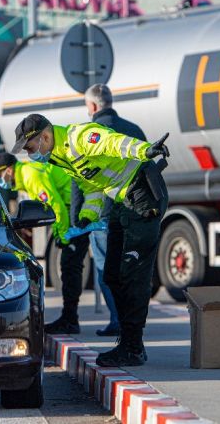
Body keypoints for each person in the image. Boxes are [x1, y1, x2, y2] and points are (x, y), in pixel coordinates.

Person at [11, 112, 169, 367]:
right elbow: (92, 187)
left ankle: (133, 347)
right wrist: (87, 215)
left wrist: (145, 150)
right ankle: (128, 342)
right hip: (122, 201)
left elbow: (113, 142)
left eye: (30, 147)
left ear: (45, 136)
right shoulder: (59, 157)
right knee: (112, 276)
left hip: (143, 195)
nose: (30, 154)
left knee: (133, 275)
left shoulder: (78, 137)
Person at [0, 152, 90, 334]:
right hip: (72, 211)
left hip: (74, 213)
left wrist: (64, 236)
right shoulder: (28, 173)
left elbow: (56, 206)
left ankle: (70, 319)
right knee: (69, 268)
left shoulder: (30, 176)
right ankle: (69, 317)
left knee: (70, 268)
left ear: (9, 170)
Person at [80, 84, 147, 337]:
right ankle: (132, 324)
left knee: (107, 271)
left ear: (93, 106)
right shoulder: (134, 130)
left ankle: (118, 321)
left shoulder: (90, 133)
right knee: (132, 270)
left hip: (104, 214)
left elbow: (83, 179)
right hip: (136, 211)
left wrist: (81, 214)